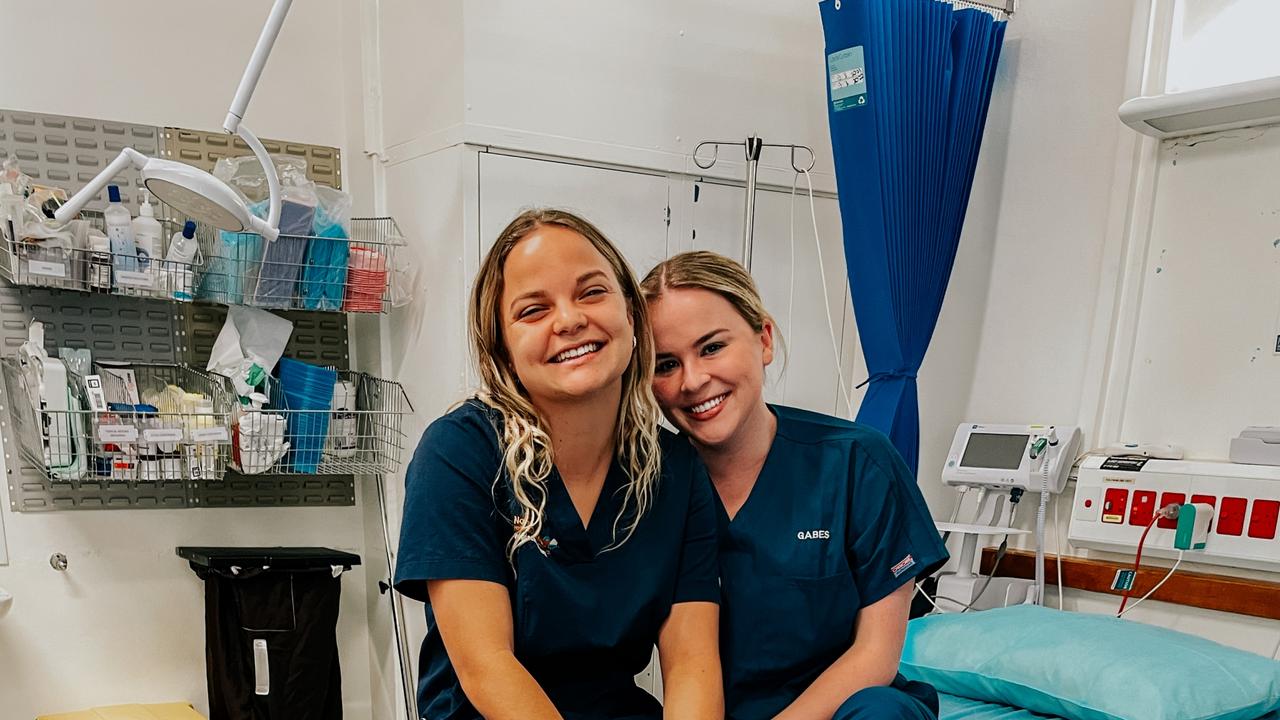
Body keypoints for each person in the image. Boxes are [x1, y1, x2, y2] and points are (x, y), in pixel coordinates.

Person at [393, 210, 723, 720]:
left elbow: (692, 666)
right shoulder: (461, 453)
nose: (569, 320)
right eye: (532, 310)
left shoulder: (675, 470)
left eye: (592, 292)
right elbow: (487, 665)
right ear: (501, 347)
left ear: (632, 315)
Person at [641, 251, 949, 720]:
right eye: (665, 364)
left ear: (763, 340)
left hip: (850, 709)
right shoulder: (651, 485)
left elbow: (875, 655)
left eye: (712, 347)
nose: (694, 380)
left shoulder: (857, 462)